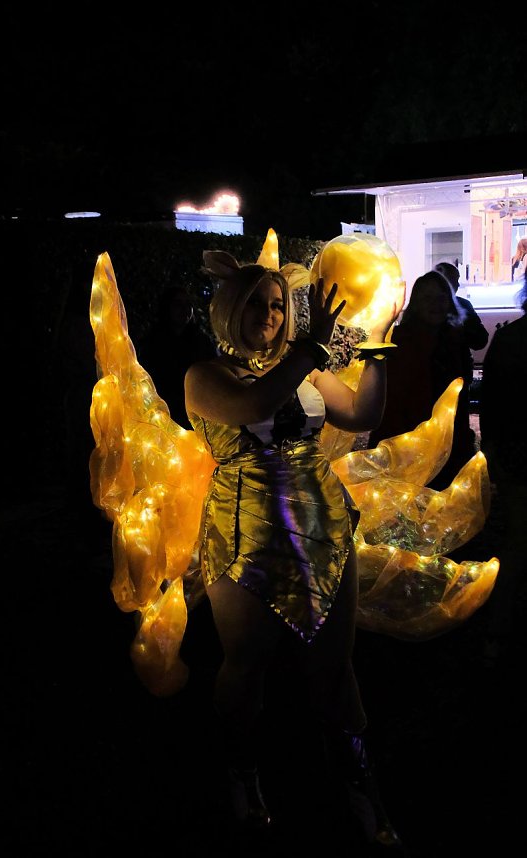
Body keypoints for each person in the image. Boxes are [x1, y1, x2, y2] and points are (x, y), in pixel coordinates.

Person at [183, 249, 404, 845]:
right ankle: (242, 773)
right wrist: (309, 350)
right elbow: (254, 407)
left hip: (324, 525)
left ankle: (364, 792)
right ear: (229, 308)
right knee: (246, 665)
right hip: (244, 535)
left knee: (336, 668)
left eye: (279, 304)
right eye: (256, 302)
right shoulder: (204, 377)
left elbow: (360, 414)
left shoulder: (303, 369)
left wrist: (376, 348)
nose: (270, 314)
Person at [367, 269, 477, 491]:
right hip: (408, 439)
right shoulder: (400, 340)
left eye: (440, 297)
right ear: (416, 303)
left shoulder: (456, 340)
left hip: (451, 441)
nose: (435, 304)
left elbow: (460, 395)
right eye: (427, 298)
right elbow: (393, 397)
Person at [479, 272, 527, 664]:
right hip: (519, 456)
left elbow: (491, 402)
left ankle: (499, 632)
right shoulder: (511, 340)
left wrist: (494, 452)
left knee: (516, 543)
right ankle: (499, 630)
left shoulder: (510, 339)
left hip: (516, 456)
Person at [138, 285, 217, 429]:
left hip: (196, 416)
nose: (184, 309)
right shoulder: (154, 342)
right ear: (167, 307)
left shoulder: (201, 341)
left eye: (188, 304)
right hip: (163, 416)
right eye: (178, 304)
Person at [434, 261, 489, 389]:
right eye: (455, 279)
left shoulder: (423, 307)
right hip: (458, 376)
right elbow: (481, 340)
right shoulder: (463, 305)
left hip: (432, 378)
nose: (458, 284)